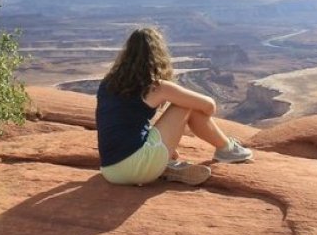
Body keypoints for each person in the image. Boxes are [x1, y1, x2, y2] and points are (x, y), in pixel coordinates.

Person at [95, 27, 253, 187]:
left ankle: (165, 166)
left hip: (111, 171)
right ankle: (227, 149)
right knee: (185, 105)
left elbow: (124, 123)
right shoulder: (158, 87)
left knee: (164, 142)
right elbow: (209, 106)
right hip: (137, 165)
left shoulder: (107, 83)